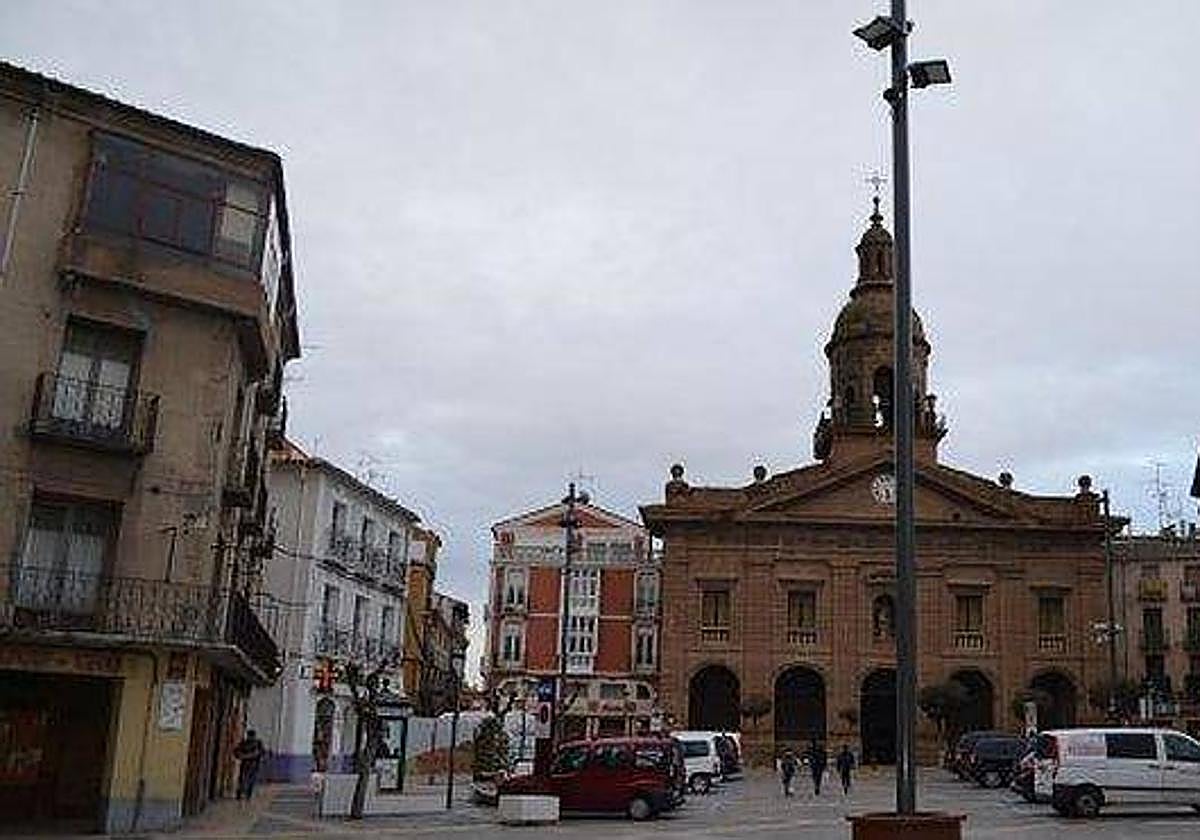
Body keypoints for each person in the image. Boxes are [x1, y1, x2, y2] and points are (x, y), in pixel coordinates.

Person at [235, 729, 265, 800]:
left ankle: (247, 794)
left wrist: (246, 756)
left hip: (253, 764)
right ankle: (241, 793)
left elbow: (261, 752)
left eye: (251, 736)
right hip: (246, 764)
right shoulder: (244, 743)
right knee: (243, 779)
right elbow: (237, 751)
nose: (250, 738)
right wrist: (241, 755)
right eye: (249, 736)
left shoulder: (257, 743)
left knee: (250, 779)